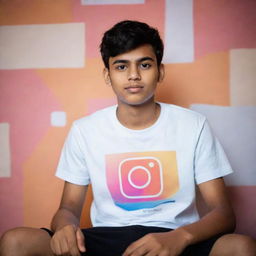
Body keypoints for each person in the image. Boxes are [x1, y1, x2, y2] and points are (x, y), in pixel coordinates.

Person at [0, 20, 256, 256]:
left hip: (175, 237)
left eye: (144, 65)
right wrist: (65, 227)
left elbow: (223, 213)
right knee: (16, 241)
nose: (134, 75)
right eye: (121, 66)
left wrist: (180, 237)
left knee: (241, 247)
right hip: (107, 238)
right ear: (107, 75)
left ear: (160, 71)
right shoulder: (85, 130)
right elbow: (68, 207)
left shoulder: (193, 125)